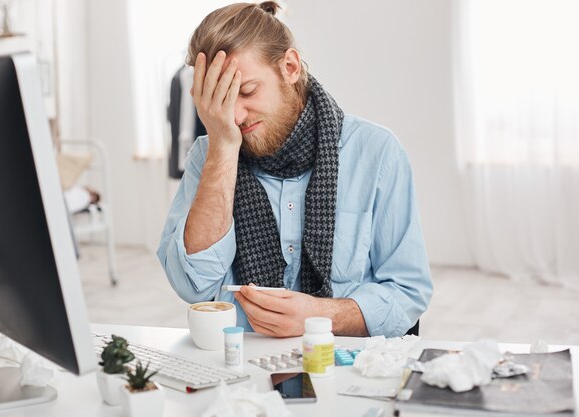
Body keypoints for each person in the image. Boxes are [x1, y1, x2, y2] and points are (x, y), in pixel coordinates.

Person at [158, 1, 433, 338]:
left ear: (289, 67)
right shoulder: (211, 152)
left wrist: (320, 316)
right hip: (245, 373)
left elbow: (407, 292)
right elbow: (193, 285)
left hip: (344, 370)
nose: (236, 116)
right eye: (221, 101)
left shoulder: (376, 152)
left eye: (247, 91)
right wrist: (223, 148)